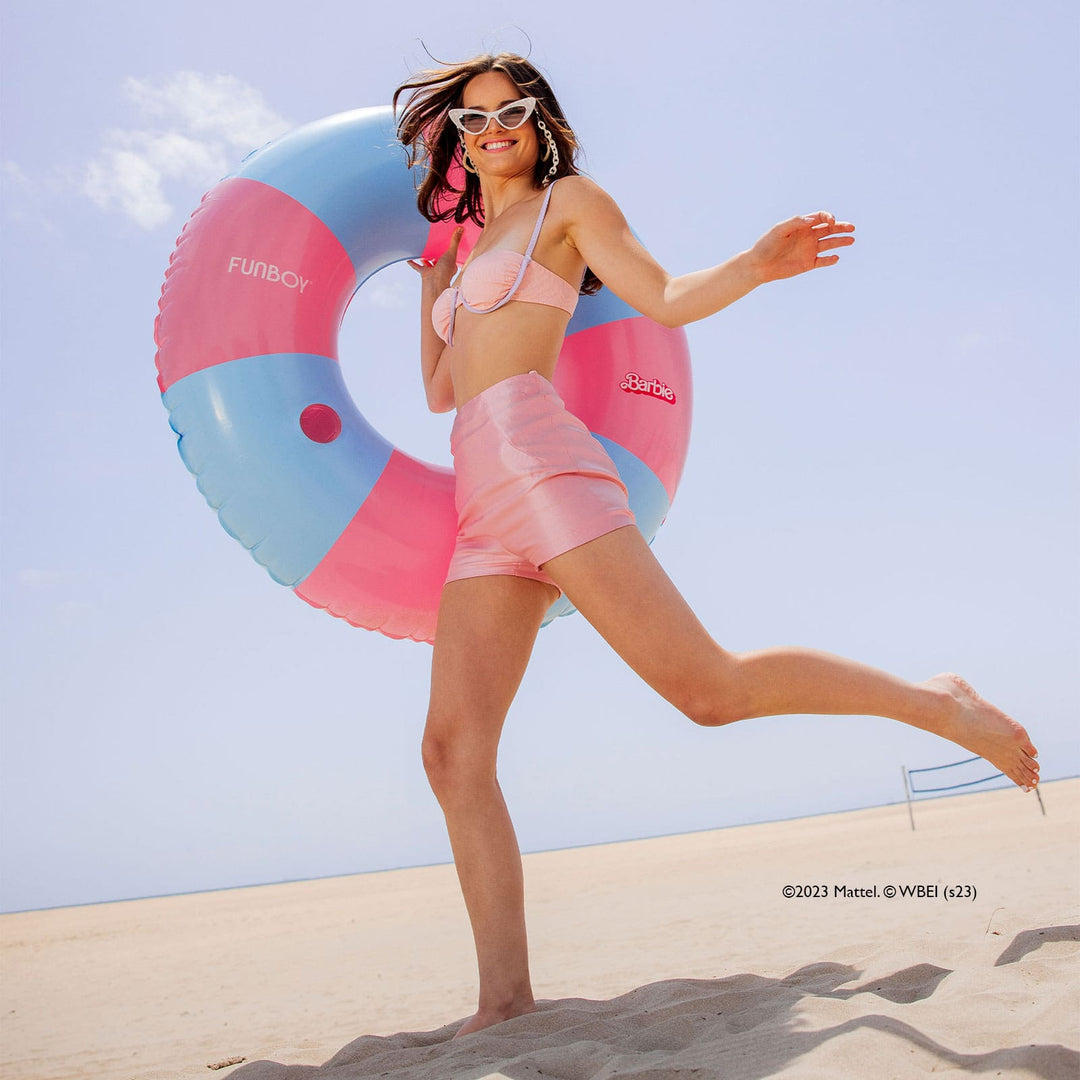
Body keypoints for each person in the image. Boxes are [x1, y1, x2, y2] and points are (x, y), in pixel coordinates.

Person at [394, 53, 1039, 1037]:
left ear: (540, 121)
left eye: (512, 111)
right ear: (455, 136)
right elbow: (440, 390)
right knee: (451, 753)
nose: (493, 129)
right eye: (474, 118)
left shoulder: (570, 203)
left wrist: (752, 265)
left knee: (709, 691)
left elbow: (659, 294)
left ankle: (937, 702)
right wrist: (430, 287)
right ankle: (505, 1001)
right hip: (480, 490)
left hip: (538, 457)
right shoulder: (461, 249)